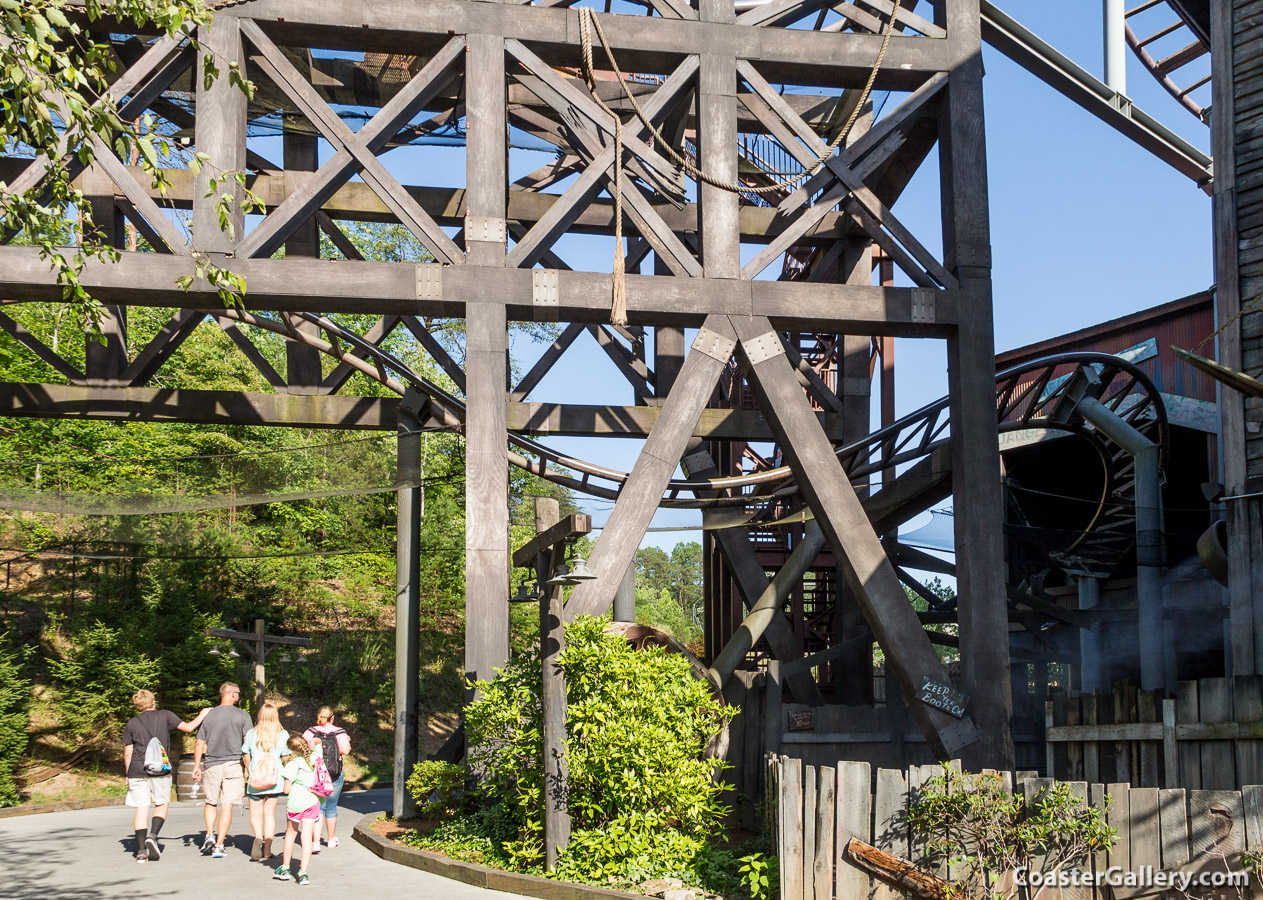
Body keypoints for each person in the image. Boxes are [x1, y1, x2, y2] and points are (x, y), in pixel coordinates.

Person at [121, 690, 209, 863]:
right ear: (153, 702)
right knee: (161, 803)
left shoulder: (132, 723)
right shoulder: (165, 716)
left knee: (141, 808)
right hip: (160, 769)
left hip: (137, 771)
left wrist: (128, 772)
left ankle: (140, 852)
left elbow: (127, 752)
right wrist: (202, 714)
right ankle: (152, 836)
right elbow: (189, 727)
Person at [192, 682, 252, 858]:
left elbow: (199, 742)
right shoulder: (243, 715)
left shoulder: (209, 715)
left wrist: (196, 766)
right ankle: (219, 845)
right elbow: (247, 744)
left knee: (211, 801)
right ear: (232, 694)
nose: (239, 696)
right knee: (227, 804)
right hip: (233, 764)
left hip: (211, 764)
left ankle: (209, 834)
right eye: (238, 693)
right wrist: (250, 768)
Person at [241, 701, 289, 862]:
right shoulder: (283, 735)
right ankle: (267, 850)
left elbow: (246, 755)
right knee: (270, 814)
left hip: (256, 780)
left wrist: (250, 770)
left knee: (255, 814)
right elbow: (285, 756)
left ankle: (258, 836)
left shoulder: (251, 734)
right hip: (274, 781)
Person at [273, 734, 320, 885]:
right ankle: (303, 872)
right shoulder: (315, 758)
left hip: (295, 803)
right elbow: (318, 745)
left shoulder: (293, 765)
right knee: (306, 838)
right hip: (312, 801)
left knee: (291, 834)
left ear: (291, 749)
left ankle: (285, 868)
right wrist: (314, 743)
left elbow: (286, 790)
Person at [302, 706, 350, 849]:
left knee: (319, 808)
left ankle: (315, 842)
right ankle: (330, 839)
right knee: (331, 807)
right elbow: (345, 751)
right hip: (334, 774)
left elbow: (303, 748)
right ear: (332, 718)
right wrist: (346, 740)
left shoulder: (311, 731)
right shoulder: (340, 732)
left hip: (316, 775)